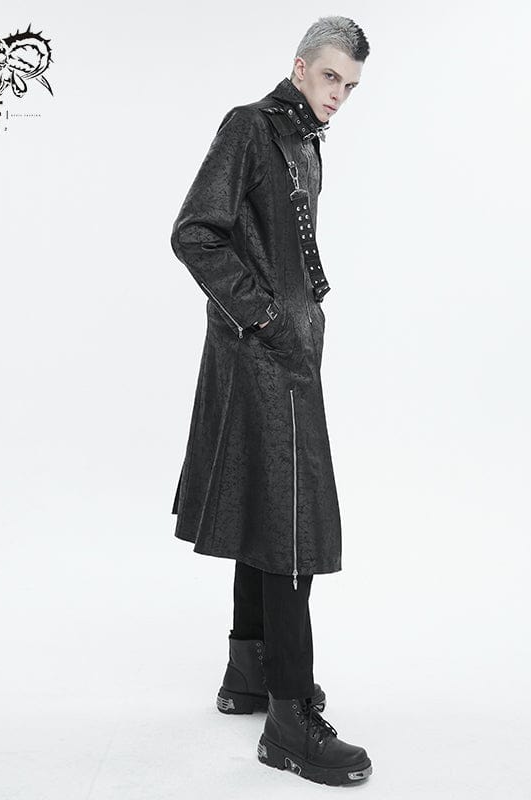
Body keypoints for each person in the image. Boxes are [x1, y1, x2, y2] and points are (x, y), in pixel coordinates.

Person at [169, 16, 372, 786]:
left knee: (270, 505)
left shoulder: (304, 138)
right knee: (293, 524)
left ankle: (249, 675)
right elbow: (196, 232)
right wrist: (264, 318)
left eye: (351, 86)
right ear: (300, 66)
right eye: (331, 77)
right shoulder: (251, 128)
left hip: (285, 357)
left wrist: (291, 325)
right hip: (263, 357)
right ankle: (290, 721)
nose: (339, 95)